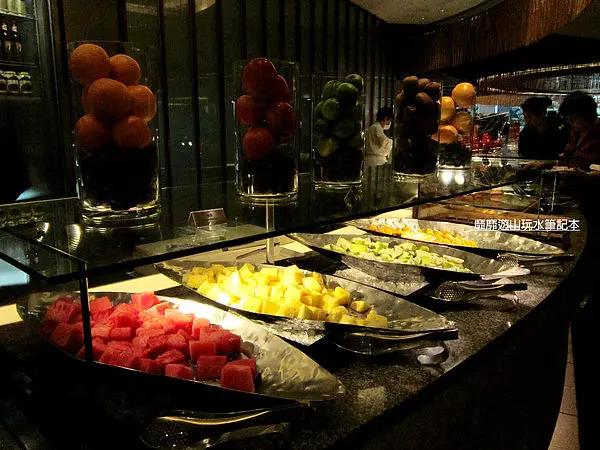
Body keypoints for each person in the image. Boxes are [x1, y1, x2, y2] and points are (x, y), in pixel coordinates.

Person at [558, 91, 600, 169]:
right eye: (568, 119)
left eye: (573, 118)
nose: (570, 122)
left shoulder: (597, 132)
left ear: (586, 115)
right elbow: (567, 158)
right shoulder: (574, 132)